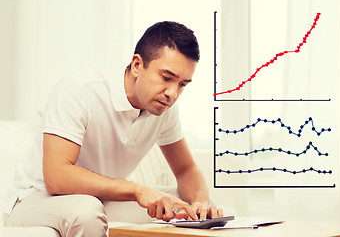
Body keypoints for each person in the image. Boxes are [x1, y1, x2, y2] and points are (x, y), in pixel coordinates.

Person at [3, 21, 223, 236]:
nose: (173, 93)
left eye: (182, 84)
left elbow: (186, 169)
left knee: (193, 209)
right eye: (166, 78)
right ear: (137, 65)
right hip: (35, 199)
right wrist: (138, 190)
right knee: (86, 212)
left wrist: (200, 202)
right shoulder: (80, 90)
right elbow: (57, 176)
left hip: (101, 200)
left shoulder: (164, 107)